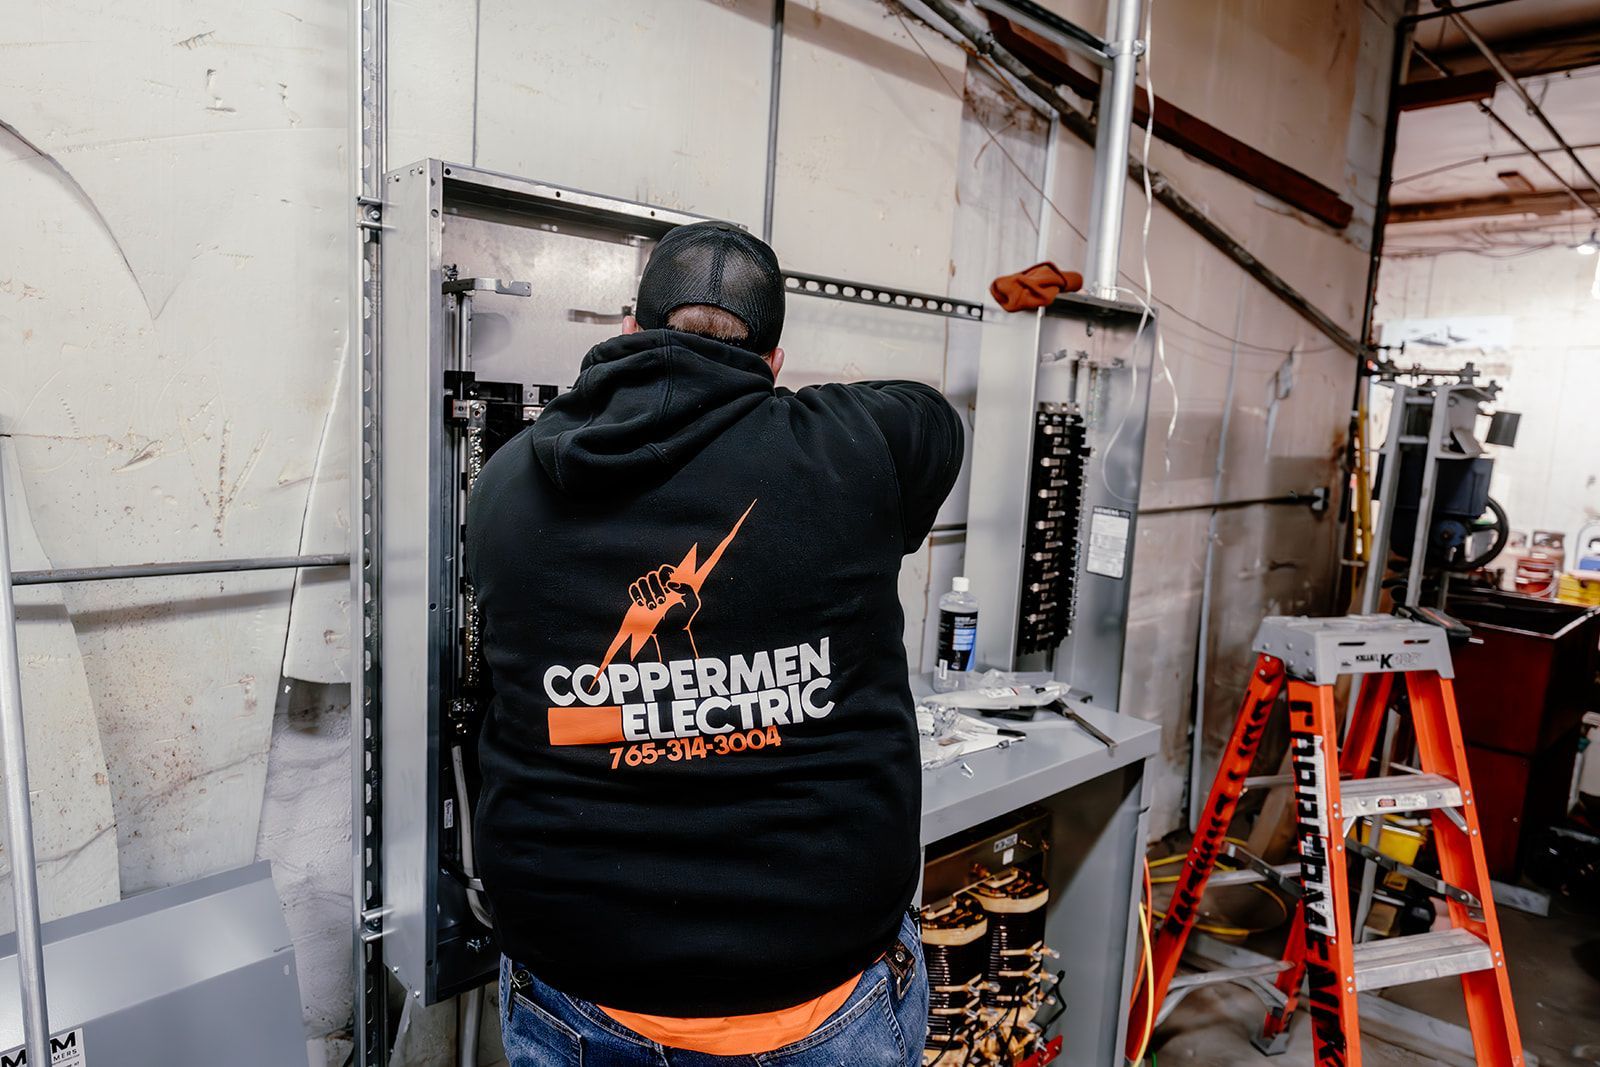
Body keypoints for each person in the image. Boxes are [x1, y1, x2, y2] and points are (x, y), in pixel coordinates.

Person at [466, 221, 964, 1066]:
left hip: (580, 1003)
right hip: (823, 1006)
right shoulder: (854, 449)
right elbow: (934, 418)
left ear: (629, 332)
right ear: (773, 363)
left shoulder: (508, 483)